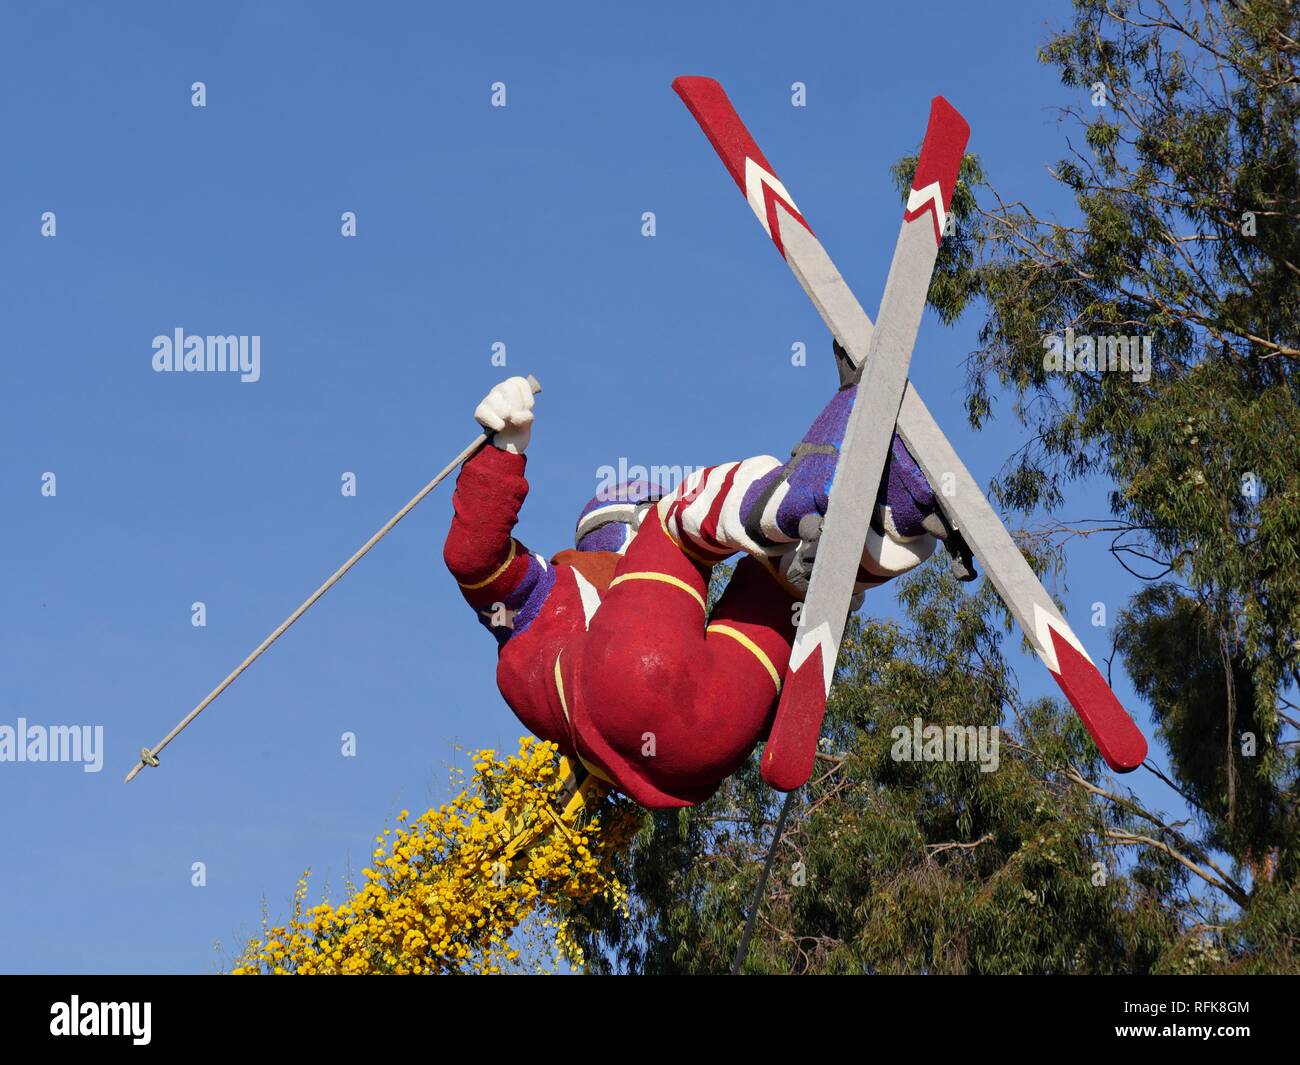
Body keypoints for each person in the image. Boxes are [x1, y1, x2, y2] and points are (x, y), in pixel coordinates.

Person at [443, 356, 945, 809]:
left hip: (708, 745)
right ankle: (805, 491)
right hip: (629, 677)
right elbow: (472, 558)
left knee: (775, 585)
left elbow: (475, 562)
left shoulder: (532, 649)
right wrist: (501, 453)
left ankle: (898, 517)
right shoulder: (552, 592)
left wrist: (502, 450)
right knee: (678, 520)